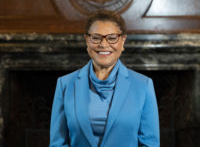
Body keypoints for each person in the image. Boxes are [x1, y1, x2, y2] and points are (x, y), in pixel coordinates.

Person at [49, 10, 160, 147]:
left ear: (122, 41)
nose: (103, 44)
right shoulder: (64, 84)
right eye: (96, 37)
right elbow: (58, 144)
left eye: (112, 38)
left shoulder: (143, 85)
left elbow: (150, 144)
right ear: (87, 40)